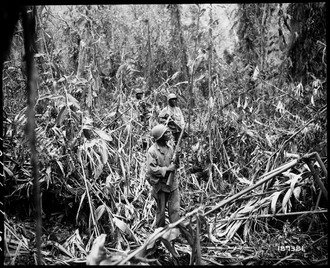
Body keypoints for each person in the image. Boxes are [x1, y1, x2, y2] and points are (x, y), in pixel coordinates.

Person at [146, 124, 181, 228]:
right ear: (160, 136)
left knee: (174, 210)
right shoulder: (152, 151)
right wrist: (166, 169)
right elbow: (152, 169)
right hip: (160, 185)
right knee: (161, 212)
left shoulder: (170, 148)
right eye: (166, 132)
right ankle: (159, 235)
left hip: (172, 184)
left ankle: (175, 233)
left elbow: (175, 165)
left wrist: (177, 156)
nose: (169, 134)